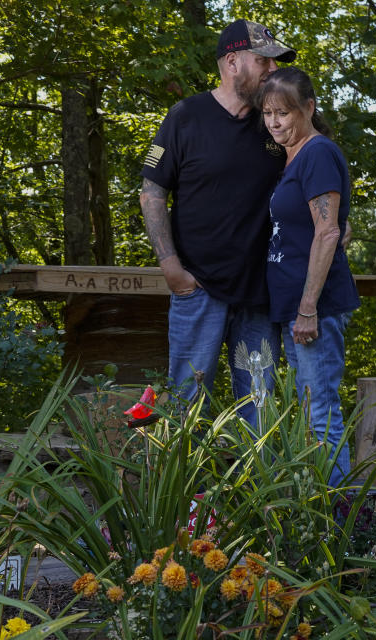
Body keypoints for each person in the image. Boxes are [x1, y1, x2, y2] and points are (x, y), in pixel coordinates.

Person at [139, 19, 296, 423]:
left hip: (260, 295)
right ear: (232, 62)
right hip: (199, 288)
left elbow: (314, 171)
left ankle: (256, 487)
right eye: (263, 61)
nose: (272, 71)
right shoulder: (186, 116)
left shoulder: (275, 122)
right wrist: (170, 267)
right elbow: (152, 192)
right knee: (185, 403)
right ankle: (181, 488)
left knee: (260, 407)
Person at [257, 67, 361, 487]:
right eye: (267, 113)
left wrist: (307, 308)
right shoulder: (292, 158)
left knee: (321, 416)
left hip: (314, 308)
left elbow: (329, 230)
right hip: (293, 307)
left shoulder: (317, 152)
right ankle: (316, 522)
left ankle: (339, 526)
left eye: (284, 112)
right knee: (307, 416)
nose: (275, 122)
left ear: (310, 108)